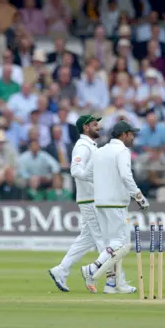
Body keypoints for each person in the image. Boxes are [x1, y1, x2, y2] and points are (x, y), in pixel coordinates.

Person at [80, 121, 149, 294]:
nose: (133, 137)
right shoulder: (122, 151)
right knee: (122, 245)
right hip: (116, 203)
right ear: (123, 134)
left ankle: (113, 284)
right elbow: (126, 176)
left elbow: (87, 174)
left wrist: (104, 184)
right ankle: (92, 269)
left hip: (100, 202)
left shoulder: (100, 151)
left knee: (112, 246)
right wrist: (139, 197)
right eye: (131, 134)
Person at [48, 115, 106, 292]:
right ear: (86, 127)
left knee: (86, 239)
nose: (98, 126)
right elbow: (75, 170)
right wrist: (93, 179)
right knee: (103, 241)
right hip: (89, 199)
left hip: (92, 198)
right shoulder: (82, 146)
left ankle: (61, 270)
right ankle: (114, 281)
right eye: (94, 124)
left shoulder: (91, 145)